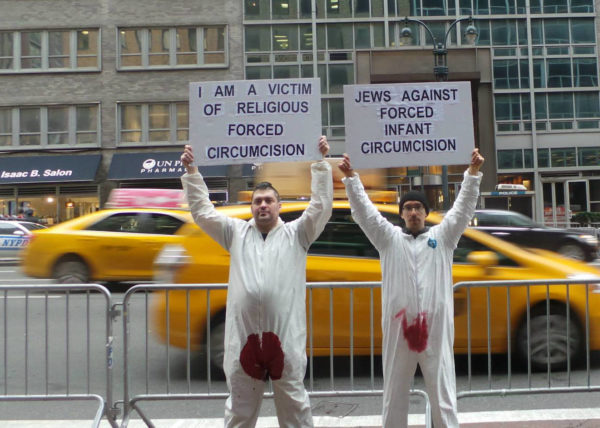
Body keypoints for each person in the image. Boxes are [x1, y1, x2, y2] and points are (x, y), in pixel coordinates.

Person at [180, 137, 333, 428]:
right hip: (243, 340)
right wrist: (192, 172)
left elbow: (321, 208)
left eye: (269, 201)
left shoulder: (297, 235)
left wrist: (321, 164)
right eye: (257, 201)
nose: (263, 205)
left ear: (279, 205)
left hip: (285, 339)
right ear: (251, 207)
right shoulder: (235, 233)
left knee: (295, 408)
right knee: (240, 410)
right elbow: (202, 212)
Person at [338, 149, 484, 428]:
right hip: (399, 329)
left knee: (442, 395)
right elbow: (365, 214)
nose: (414, 212)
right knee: (394, 394)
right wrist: (351, 179)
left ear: (427, 213)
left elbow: (463, 209)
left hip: (435, 330)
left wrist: (472, 175)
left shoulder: (443, 238)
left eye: (418, 207)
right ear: (402, 214)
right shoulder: (388, 239)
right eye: (408, 208)